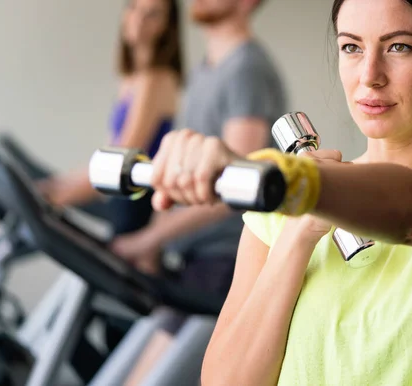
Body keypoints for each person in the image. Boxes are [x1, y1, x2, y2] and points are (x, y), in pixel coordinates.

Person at [140, 0, 412, 385]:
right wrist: (297, 234)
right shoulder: (287, 206)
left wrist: (292, 183)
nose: (369, 74)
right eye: (352, 47)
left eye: (399, 47)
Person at [110, 0, 286, 383]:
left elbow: (235, 186)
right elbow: (174, 175)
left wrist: (148, 238)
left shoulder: (247, 69)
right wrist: (154, 239)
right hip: (192, 260)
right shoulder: (206, 69)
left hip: (223, 265)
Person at [39, 0, 182, 268]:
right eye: (133, 7)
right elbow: (106, 154)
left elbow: (118, 160)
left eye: (153, 14)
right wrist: (54, 185)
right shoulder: (131, 79)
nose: (139, 19)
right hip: (120, 203)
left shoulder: (156, 79)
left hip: (137, 210)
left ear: (167, 27)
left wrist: (57, 196)